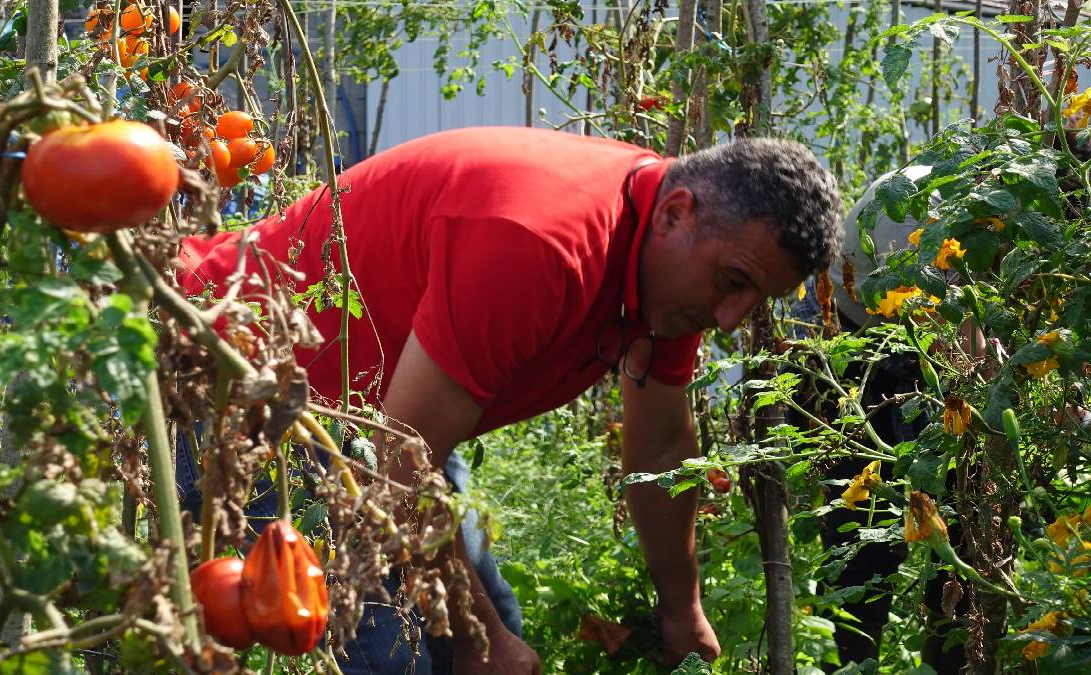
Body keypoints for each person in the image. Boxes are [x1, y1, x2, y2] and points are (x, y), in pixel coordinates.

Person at [178, 126, 844, 672]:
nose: (730, 318)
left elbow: (662, 442)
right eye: (732, 283)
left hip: (377, 417)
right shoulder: (542, 243)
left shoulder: (667, 267)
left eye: (753, 299)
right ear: (677, 214)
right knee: (394, 656)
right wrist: (476, 641)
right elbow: (399, 465)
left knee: (494, 621)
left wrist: (682, 608)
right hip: (242, 379)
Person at [790, 166, 966, 671]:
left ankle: (946, 653)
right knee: (858, 534)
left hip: (915, 339)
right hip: (847, 335)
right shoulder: (960, 211)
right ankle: (851, 664)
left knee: (960, 546)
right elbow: (952, 340)